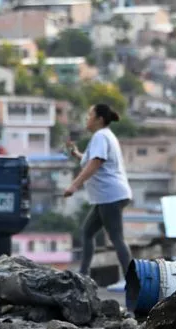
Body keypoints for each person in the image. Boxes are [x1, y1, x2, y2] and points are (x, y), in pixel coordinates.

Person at [64, 103, 133, 280]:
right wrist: (77, 153)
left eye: (89, 115)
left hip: (110, 195)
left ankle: (132, 278)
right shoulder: (102, 136)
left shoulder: (101, 136)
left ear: (99, 119)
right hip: (106, 196)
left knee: (116, 238)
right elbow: (89, 159)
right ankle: (83, 273)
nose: (87, 119)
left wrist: (74, 185)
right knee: (87, 232)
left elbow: (95, 163)